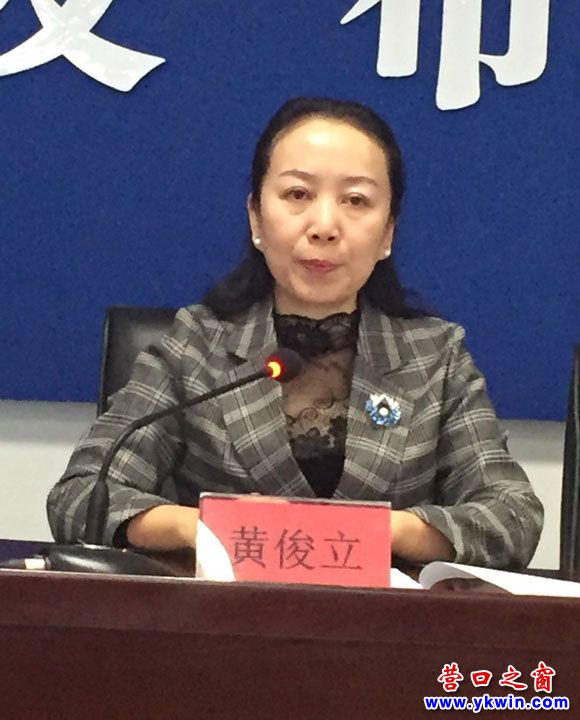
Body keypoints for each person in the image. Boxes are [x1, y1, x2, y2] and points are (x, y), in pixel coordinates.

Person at [47, 97, 543, 568]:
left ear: (388, 232)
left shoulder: (435, 356)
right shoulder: (196, 345)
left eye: (356, 200)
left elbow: (513, 516)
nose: (324, 225)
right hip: (225, 620)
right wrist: (202, 526)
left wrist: (378, 532)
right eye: (298, 195)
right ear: (256, 218)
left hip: (387, 623)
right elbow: (81, 496)